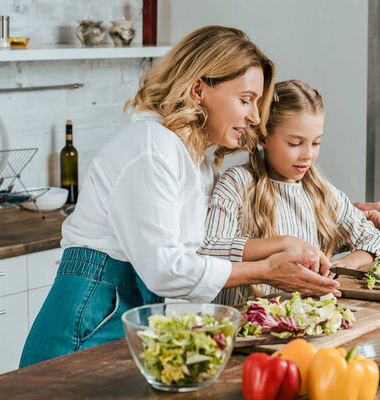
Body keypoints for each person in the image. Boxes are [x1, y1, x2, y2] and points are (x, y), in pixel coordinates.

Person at [20, 26, 344, 367]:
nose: (254, 117)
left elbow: (204, 247)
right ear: (198, 89)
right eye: (245, 100)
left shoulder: (197, 160)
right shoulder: (150, 147)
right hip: (93, 309)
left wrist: (325, 222)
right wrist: (265, 271)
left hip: (128, 307)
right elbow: (166, 269)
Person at [199, 80, 380, 305]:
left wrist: (348, 264)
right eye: (294, 143)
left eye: (316, 143)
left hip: (302, 321)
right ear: (263, 137)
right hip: (245, 325)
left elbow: (378, 241)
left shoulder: (322, 193)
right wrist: (285, 243)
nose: (307, 155)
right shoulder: (237, 183)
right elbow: (211, 248)